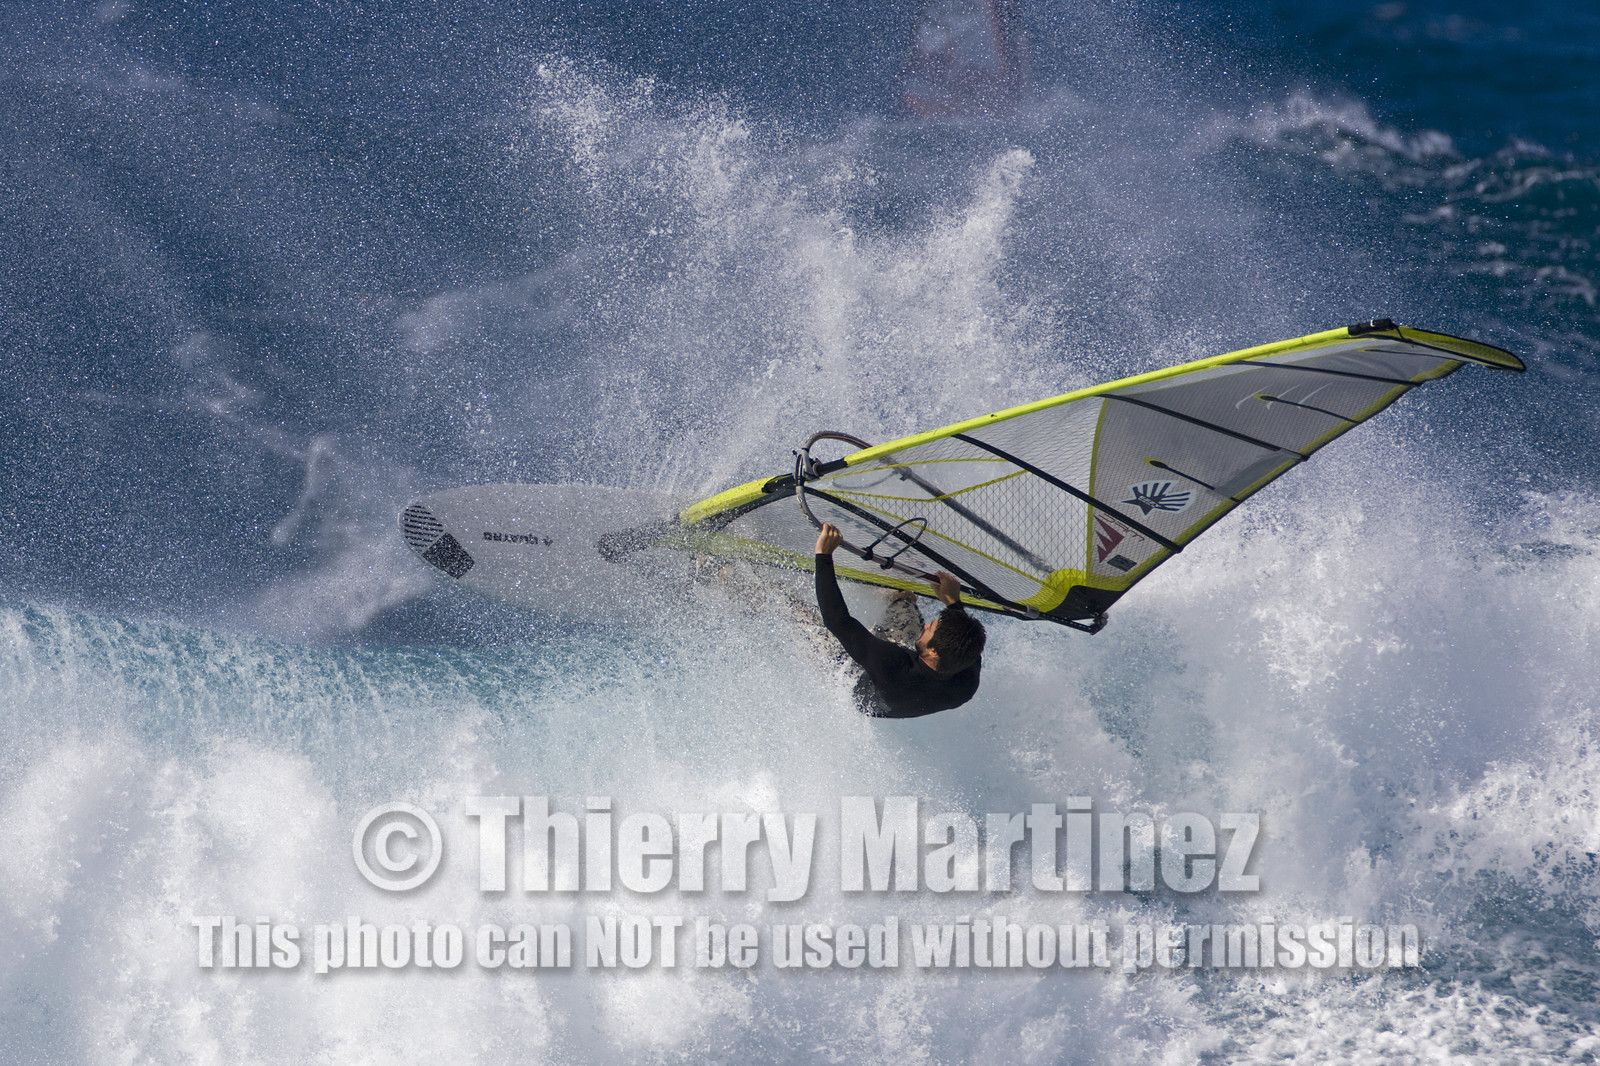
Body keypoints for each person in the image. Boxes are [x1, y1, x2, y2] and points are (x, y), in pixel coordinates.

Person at [813, 522, 986, 718]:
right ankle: (894, 593)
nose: (927, 625)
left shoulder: (891, 665)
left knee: (807, 621)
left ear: (933, 651)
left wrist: (824, 555)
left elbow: (837, 621)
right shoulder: (966, 681)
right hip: (910, 672)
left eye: (930, 629)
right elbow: (969, 640)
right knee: (904, 600)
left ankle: (772, 588)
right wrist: (953, 602)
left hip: (853, 678)